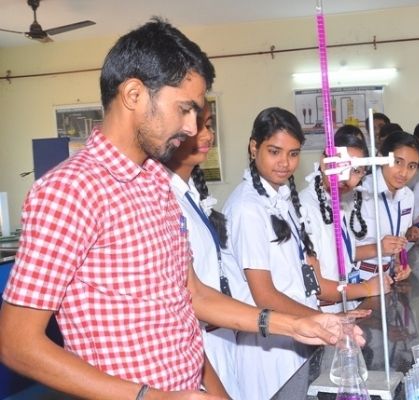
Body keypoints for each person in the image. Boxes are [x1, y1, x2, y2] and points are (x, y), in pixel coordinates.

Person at [0, 19, 355, 399]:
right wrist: (151, 397)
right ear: (134, 94)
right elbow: (17, 343)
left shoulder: (157, 182)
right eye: (185, 109)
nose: (190, 127)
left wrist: (294, 325)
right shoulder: (70, 190)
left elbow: (193, 298)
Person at [223, 106, 345, 398]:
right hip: (267, 347)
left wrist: (322, 318)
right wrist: (323, 322)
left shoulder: (280, 198)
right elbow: (264, 295)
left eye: (293, 154)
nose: (285, 163)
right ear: (254, 148)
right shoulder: (247, 207)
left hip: (295, 334)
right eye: (274, 151)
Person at [164, 103, 242, 398]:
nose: (207, 135)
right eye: (199, 126)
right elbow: (191, 294)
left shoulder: (191, 195)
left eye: (209, 126)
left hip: (221, 334)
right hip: (197, 342)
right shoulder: (165, 198)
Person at [299, 126, 393, 313]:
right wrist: (367, 288)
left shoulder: (341, 201)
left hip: (345, 304)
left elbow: (341, 253)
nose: (348, 177)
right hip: (321, 313)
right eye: (342, 166)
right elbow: (316, 285)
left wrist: (381, 249)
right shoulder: (305, 208)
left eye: (357, 171)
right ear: (325, 163)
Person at [356, 131, 419, 282]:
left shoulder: (408, 196)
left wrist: (401, 262)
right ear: (381, 157)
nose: (404, 173)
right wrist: (378, 249)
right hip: (358, 278)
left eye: (412, 166)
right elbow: (337, 253)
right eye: (398, 162)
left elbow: (399, 239)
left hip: (388, 278)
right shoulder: (360, 191)